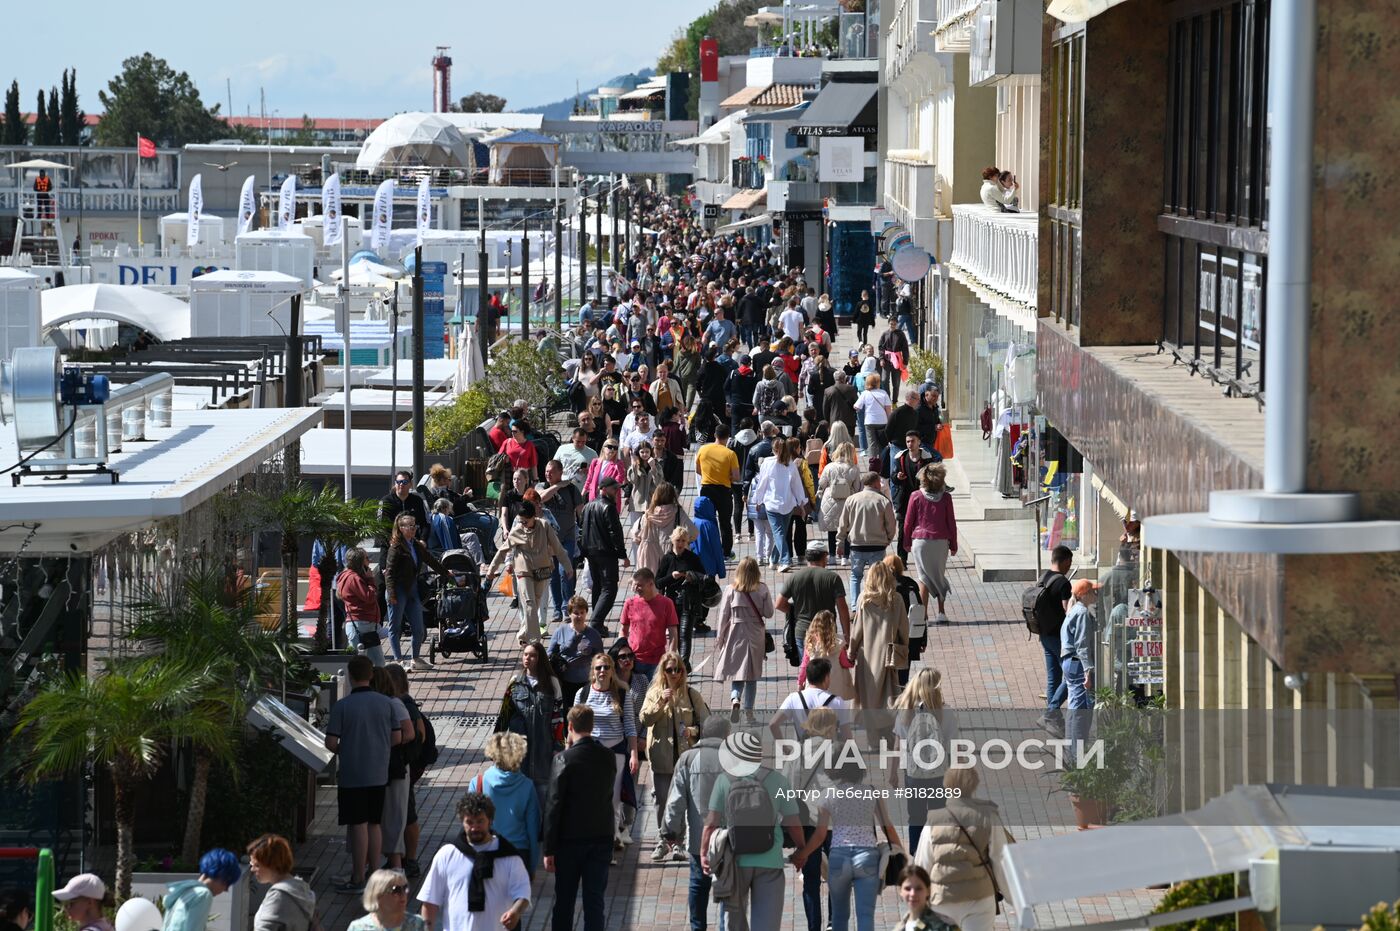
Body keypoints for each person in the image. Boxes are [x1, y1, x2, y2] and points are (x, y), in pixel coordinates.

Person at [701, 734, 806, 931]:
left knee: (733, 924)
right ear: (759, 754)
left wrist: (704, 852)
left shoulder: (724, 780)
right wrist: (801, 849)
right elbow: (793, 821)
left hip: (734, 862)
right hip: (770, 861)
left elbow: (711, 823)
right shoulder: (778, 780)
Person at [793, 758, 904, 931]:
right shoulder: (871, 792)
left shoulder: (828, 795)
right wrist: (901, 852)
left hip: (838, 857)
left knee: (839, 915)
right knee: (865, 914)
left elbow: (820, 835)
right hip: (867, 856)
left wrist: (802, 854)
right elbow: (887, 827)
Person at [324, 655, 405, 892]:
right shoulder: (386, 703)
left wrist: (345, 749)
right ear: (371, 675)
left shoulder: (342, 706)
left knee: (357, 824)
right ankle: (374, 874)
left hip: (352, 773)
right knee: (374, 823)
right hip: (379, 773)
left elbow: (330, 742)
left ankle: (358, 877)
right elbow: (397, 736)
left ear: (350, 676)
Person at [913, 765, 1014, 931]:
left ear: (946, 785)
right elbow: (1000, 859)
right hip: (979, 897)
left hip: (942, 898)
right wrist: (1012, 897)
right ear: (974, 785)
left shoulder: (934, 819)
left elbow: (923, 863)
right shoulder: (988, 816)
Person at [543, 707, 616, 931]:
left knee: (564, 900)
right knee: (594, 902)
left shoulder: (564, 760)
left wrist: (548, 848)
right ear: (592, 727)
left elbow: (554, 805)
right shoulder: (608, 756)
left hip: (569, 841)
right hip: (601, 837)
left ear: (570, 727)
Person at [419, 794, 531, 931]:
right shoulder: (446, 855)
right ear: (462, 822)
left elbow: (523, 893)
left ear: (490, 821)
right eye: (469, 822)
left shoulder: (509, 856)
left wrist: (516, 912)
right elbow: (430, 900)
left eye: (480, 821)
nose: (474, 828)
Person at [662, 716, 732, 931]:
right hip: (731, 838)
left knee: (697, 885)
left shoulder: (688, 758)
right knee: (728, 889)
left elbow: (676, 801)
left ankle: (697, 927)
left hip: (698, 837)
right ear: (726, 736)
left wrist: (670, 831)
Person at [639, 651, 710, 861]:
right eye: (669, 670)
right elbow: (645, 719)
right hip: (661, 757)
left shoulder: (690, 694)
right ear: (663, 671)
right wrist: (661, 702)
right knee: (662, 801)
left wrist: (692, 732)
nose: (674, 673)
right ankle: (663, 841)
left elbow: (706, 722)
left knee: (681, 801)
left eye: (677, 669)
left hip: (685, 757)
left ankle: (678, 843)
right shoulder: (654, 692)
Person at [486, 500, 574, 646]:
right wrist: (491, 570)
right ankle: (534, 641)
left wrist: (568, 566)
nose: (522, 524)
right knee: (529, 604)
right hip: (523, 572)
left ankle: (523, 633)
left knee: (535, 605)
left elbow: (558, 548)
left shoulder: (544, 526)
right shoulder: (517, 530)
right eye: (520, 521)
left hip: (542, 570)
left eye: (525, 521)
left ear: (534, 517)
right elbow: (502, 551)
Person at [574, 653, 638, 848]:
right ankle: (593, 837)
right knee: (591, 797)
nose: (602, 671)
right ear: (593, 671)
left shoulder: (622, 692)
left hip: (615, 752)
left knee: (614, 799)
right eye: (598, 668)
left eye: (606, 667)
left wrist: (633, 753)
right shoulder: (582, 694)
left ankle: (610, 842)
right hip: (590, 752)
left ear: (612, 671)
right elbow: (575, 726)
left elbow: (629, 725)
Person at [493, 641, 563, 806]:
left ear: (540, 659)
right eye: (525, 654)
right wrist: (497, 747)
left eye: (532, 655)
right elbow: (504, 715)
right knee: (519, 802)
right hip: (519, 753)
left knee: (542, 801)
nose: (528, 658)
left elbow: (558, 718)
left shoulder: (552, 683)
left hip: (543, 752)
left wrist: (558, 748)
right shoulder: (515, 682)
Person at [384, 513, 457, 669]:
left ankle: (415, 659)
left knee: (418, 627)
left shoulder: (415, 544)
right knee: (395, 627)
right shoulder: (396, 547)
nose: (413, 528)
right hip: (397, 590)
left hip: (412, 589)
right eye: (409, 526)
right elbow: (389, 572)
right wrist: (391, 594)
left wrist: (446, 573)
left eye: (414, 525)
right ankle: (398, 660)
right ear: (401, 528)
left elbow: (430, 559)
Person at [469, 733, 542, 878]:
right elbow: (533, 831)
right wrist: (532, 867)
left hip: (487, 852)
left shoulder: (478, 783)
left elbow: (469, 828)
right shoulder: (527, 786)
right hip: (518, 854)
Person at [713, 555, 773, 716]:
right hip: (755, 633)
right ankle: (749, 711)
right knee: (752, 674)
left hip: (735, 632)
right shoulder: (762, 589)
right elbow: (769, 613)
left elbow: (723, 615)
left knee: (737, 670)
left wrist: (721, 638)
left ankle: (735, 698)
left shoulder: (730, 589)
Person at [848, 561, 909, 717]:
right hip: (888, 653)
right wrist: (904, 647)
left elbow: (857, 630)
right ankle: (888, 732)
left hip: (866, 654)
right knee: (889, 693)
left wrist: (851, 651)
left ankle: (872, 736)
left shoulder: (864, 599)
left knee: (868, 694)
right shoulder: (896, 599)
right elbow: (903, 628)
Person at [372, 667, 416, 873]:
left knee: (395, 816)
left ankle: (398, 865)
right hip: (383, 767)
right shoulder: (383, 703)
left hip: (394, 767)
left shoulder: (394, 703)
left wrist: (384, 744)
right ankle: (391, 863)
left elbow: (410, 733)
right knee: (386, 816)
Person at [903, 464, 958, 625]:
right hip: (941, 542)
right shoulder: (946, 498)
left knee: (923, 578)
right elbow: (951, 523)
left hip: (920, 542)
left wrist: (906, 542)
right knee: (939, 576)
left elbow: (908, 522)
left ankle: (923, 615)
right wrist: (953, 544)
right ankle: (941, 612)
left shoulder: (915, 496)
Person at [776, 543, 851, 660]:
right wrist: (846, 635)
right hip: (827, 631)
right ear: (824, 556)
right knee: (827, 671)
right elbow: (842, 609)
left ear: (807, 557)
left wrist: (795, 612)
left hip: (802, 632)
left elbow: (779, 604)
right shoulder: (833, 578)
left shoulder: (795, 577)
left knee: (808, 671)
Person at [837, 472, 898, 607]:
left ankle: (854, 606)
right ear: (876, 483)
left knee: (855, 576)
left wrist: (840, 542)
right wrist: (888, 538)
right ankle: (875, 604)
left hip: (857, 545)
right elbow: (891, 524)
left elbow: (843, 524)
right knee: (877, 577)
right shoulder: (883, 500)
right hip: (877, 546)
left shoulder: (851, 499)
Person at [579, 475, 629, 636]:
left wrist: (584, 552)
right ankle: (596, 623)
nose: (616, 492)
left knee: (598, 587)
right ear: (604, 489)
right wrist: (623, 554)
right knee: (609, 588)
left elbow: (582, 531)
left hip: (591, 553)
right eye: (614, 489)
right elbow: (615, 533)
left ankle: (597, 624)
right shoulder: (608, 507)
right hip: (605, 553)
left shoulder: (588, 506)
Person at [1032, 545, 1075, 737]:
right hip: (1059, 637)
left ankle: (1054, 720)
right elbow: (1068, 611)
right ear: (1065, 561)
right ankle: (1051, 714)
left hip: (1044, 634)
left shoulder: (1043, 577)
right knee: (1073, 675)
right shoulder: (1063, 583)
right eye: (1070, 562)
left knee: (1053, 679)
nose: (1070, 566)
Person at [749, 436, 806, 570]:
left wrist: (758, 500)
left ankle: (785, 560)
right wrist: (801, 503)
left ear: (773, 450)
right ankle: (774, 560)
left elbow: (762, 483)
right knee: (780, 532)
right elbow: (797, 485)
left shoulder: (768, 463)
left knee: (779, 533)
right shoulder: (790, 463)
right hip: (788, 503)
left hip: (772, 503)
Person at [538, 459, 585, 624]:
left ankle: (567, 607)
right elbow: (541, 499)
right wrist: (558, 486)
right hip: (548, 540)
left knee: (565, 571)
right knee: (553, 575)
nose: (547, 474)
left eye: (551, 471)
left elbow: (581, 512)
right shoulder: (542, 487)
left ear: (560, 472)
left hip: (568, 538)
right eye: (546, 471)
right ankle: (557, 608)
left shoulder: (572, 490)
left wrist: (585, 531)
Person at [657, 526, 708, 667]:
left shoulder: (692, 558)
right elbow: (658, 582)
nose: (680, 544)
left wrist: (691, 576)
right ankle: (686, 665)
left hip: (689, 600)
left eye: (683, 541)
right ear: (672, 540)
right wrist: (671, 577)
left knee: (685, 634)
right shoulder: (667, 559)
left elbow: (705, 577)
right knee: (677, 635)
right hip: (672, 601)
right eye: (678, 540)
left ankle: (683, 665)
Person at [619, 567, 680, 678]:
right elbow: (623, 630)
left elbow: (673, 633)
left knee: (655, 694)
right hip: (634, 660)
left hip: (657, 662)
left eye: (640, 585)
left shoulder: (666, 603)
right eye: (635, 585)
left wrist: (671, 656)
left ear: (651, 584)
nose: (636, 588)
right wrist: (622, 652)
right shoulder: (630, 603)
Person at [247, 835, 316, 931]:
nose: (252, 869)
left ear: (272, 864)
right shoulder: (301, 890)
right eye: (252, 865)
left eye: (257, 865)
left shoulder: (278, 896)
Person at [1061, 578, 1099, 752]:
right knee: (1080, 710)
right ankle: (1076, 754)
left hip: (1070, 662)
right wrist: (1087, 671)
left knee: (1074, 706)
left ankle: (1072, 751)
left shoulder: (1074, 610)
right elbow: (1082, 644)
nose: (1096, 594)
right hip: (1077, 663)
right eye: (1093, 591)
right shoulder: (1082, 612)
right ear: (1084, 595)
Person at [546, 596, 605, 706]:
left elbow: (601, 659)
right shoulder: (560, 631)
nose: (579, 616)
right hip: (564, 681)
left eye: (582, 612)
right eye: (576, 613)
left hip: (585, 682)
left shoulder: (593, 634)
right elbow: (549, 654)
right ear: (569, 613)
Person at [696, 423, 741, 558]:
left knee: (707, 520)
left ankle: (708, 549)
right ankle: (726, 552)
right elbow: (736, 476)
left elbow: (698, 470)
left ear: (715, 435)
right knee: (725, 523)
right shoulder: (730, 454)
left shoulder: (703, 449)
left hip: (706, 489)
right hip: (723, 491)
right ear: (728, 437)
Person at [633, 482, 696, 576]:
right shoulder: (678, 512)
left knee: (650, 585)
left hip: (648, 556)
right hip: (671, 553)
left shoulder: (648, 514)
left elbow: (635, 534)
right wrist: (684, 541)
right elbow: (693, 532)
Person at [338, 547, 385, 666]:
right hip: (361, 625)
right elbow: (370, 597)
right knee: (367, 665)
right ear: (359, 562)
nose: (369, 561)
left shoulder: (348, 576)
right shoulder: (353, 578)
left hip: (365, 625)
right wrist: (370, 579)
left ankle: (374, 684)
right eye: (366, 558)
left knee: (375, 664)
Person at [817, 441, 861, 561]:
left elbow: (822, 483)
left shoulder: (829, 467)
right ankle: (845, 557)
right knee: (846, 530)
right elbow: (857, 488)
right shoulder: (854, 468)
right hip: (848, 502)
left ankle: (831, 556)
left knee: (832, 531)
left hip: (830, 500)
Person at [799, 609, 855, 700]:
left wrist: (800, 682)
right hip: (835, 683)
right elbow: (844, 663)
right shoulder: (838, 642)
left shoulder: (810, 643)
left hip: (815, 682)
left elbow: (804, 665)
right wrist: (852, 661)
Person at [347, 870, 424, 931]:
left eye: (405, 888)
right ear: (377, 895)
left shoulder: (417, 923)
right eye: (396, 890)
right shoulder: (359, 928)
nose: (403, 894)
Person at [891, 864, 956, 931]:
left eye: (918, 888)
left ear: (928, 891)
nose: (913, 894)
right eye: (907, 888)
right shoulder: (900, 927)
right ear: (900, 890)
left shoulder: (945, 926)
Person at [378, 471, 429, 539]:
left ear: (410, 484)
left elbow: (425, 523)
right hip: (391, 543)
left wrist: (423, 540)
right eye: (398, 482)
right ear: (395, 484)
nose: (401, 484)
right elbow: (381, 525)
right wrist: (391, 542)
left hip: (413, 543)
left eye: (405, 482)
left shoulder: (418, 500)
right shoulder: (386, 501)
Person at [854, 373, 891, 462]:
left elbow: (856, 406)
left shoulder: (865, 393)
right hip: (882, 421)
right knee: (882, 444)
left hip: (869, 421)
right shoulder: (883, 393)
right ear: (878, 382)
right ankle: (883, 463)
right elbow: (888, 409)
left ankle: (873, 464)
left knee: (872, 444)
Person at [583, 439, 626, 505]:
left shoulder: (618, 463)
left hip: (609, 498)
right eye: (609, 447)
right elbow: (589, 479)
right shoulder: (595, 462)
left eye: (615, 448)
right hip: (594, 496)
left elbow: (619, 481)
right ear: (603, 448)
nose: (612, 450)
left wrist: (619, 467)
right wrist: (583, 493)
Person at [878, 317, 910, 399]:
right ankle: (887, 399)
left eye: (894, 324)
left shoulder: (901, 334)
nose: (892, 326)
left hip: (897, 360)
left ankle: (895, 401)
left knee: (896, 383)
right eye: (891, 324)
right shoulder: (884, 334)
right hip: (886, 360)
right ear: (888, 324)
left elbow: (905, 348)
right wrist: (881, 359)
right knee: (884, 380)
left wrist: (905, 362)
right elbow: (881, 347)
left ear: (897, 324)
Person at [557, 428, 597, 493]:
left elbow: (597, 473)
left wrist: (590, 472)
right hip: (563, 487)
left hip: (581, 491)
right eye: (578, 441)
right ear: (572, 438)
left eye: (583, 442)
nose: (580, 444)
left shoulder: (592, 453)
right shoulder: (562, 449)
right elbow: (554, 465)